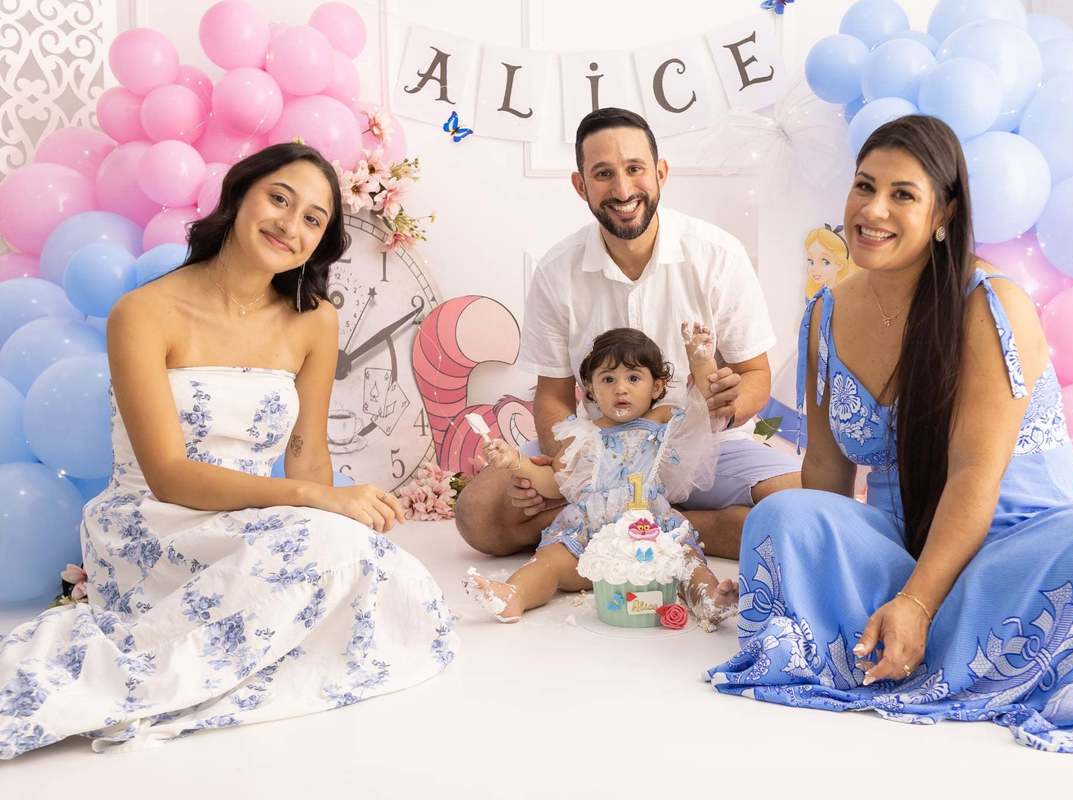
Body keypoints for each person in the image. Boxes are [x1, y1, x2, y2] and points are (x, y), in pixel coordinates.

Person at [705, 115, 1073, 753]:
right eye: (864, 187)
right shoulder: (825, 313)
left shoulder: (990, 303)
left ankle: (924, 631)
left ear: (944, 212)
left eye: (902, 195)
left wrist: (918, 604)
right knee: (784, 517)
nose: (874, 209)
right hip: (902, 545)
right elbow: (829, 484)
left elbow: (975, 474)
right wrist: (793, 570)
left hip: (1016, 549)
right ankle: (911, 638)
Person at [0, 143, 457, 759]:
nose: (290, 226)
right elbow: (167, 476)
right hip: (154, 520)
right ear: (239, 197)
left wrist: (332, 510)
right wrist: (311, 499)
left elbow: (307, 456)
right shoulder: (143, 313)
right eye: (278, 199)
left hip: (248, 516)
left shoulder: (312, 320)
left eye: (313, 220)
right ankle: (121, 671)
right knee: (329, 552)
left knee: (383, 570)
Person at [454, 107, 802, 561]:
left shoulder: (718, 255)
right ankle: (681, 526)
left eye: (635, 169)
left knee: (799, 504)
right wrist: (568, 468)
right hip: (600, 444)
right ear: (581, 185)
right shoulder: (558, 270)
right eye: (603, 174)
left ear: (660, 173)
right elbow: (553, 395)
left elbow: (754, 373)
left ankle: (605, 525)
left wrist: (730, 403)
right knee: (477, 515)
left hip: (704, 446)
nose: (622, 189)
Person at [464, 326, 736, 630]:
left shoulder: (663, 420)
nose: (621, 389)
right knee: (550, 562)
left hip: (652, 533)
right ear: (591, 389)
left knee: (686, 560)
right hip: (591, 538)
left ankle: (709, 599)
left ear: (656, 387)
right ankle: (514, 594)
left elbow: (704, 407)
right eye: (608, 379)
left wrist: (700, 361)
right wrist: (516, 462)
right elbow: (556, 483)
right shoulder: (582, 435)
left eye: (633, 378)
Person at [804, 223, 857, 299]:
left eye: (825, 262)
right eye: (811, 262)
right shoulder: (813, 295)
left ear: (840, 264)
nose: (814, 268)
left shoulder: (844, 295)